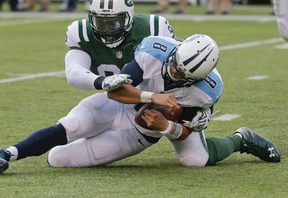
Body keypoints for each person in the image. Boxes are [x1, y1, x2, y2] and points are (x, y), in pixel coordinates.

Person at [0, 34, 280, 173]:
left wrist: (166, 126)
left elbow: (187, 129)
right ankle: (9, 153)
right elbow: (115, 92)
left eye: (181, 75)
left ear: (196, 79)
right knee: (68, 135)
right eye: (174, 65)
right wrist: (151, 97)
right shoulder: (156, 50)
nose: (172, 73)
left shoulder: (206, 91)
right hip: (119, 106)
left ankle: (240, 139)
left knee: (195, 159)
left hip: (140, 134)